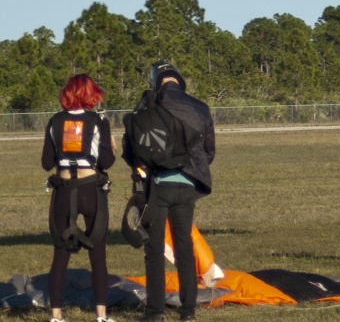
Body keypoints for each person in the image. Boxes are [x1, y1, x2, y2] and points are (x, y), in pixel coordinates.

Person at [122, 61, 215, 322]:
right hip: (186, 185)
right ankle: (188, 312)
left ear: (155, 80)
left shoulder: (146, 104)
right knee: (184, 247)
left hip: (157, 187)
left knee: (153, 250)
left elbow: (130, 148)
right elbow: (209, 151)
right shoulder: (199, 107)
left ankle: (155, 313)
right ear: (179, 80)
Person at [41, 74, 117, 322]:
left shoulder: (55, 121)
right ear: (91, 94)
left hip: (63, 190)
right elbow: (106, 162)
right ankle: (101, 315)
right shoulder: (97, 121)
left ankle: (56, 315)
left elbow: (46, 163)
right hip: (90, 189)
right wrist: (111, 147)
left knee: (60, 253)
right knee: (98, 254)